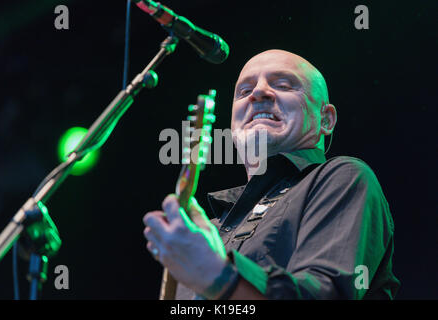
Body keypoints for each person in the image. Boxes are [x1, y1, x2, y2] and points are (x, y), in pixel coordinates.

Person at [143, 49, 400, 299]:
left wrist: (218, 275)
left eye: (284, 85)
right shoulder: (210, 230)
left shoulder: (342, 178)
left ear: (326, 119)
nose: (258, 92)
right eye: (244, 91)